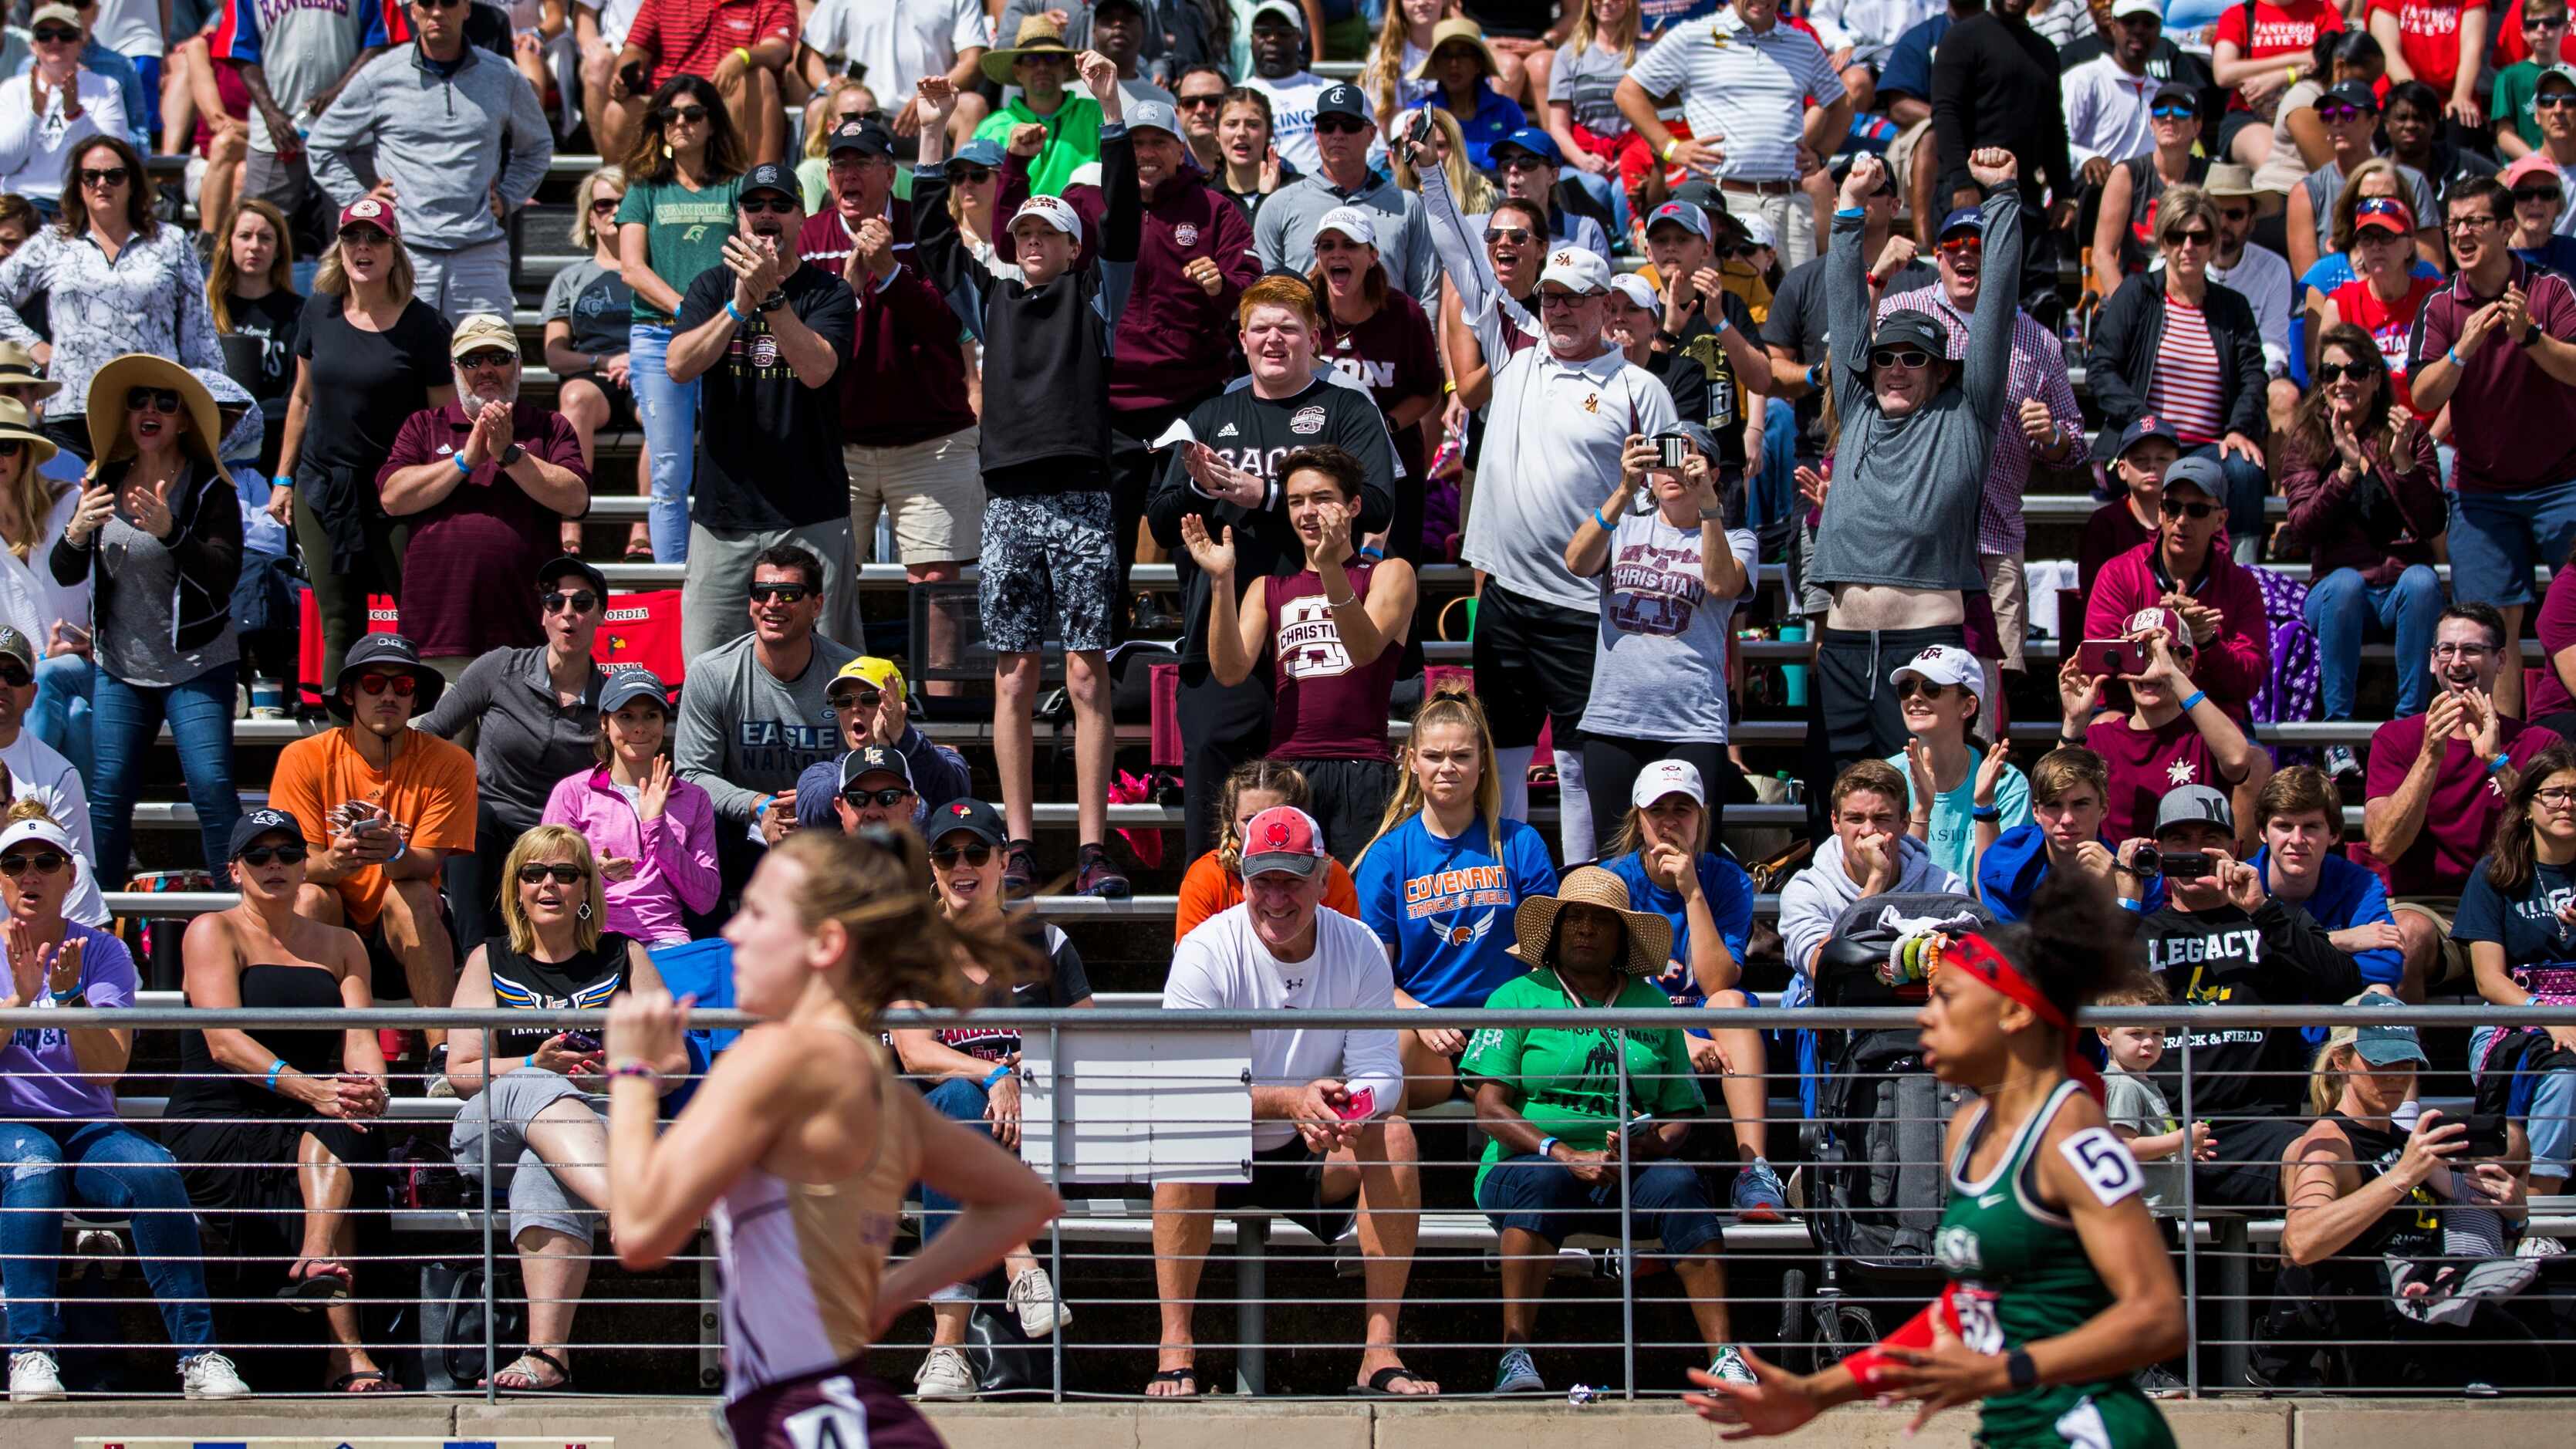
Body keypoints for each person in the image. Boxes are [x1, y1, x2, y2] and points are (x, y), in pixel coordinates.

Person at [602, 827, 1063, 1445]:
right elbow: (1025, 1201)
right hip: (846, 1413)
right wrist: (891, 1293)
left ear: (824, 943)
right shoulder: (868, 1074)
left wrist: (632, 1073)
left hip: (804, 1419)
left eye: (758, 914)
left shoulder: (772, 1062)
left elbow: (637, 1234)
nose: (733, 932)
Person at [1686, 880, 2186, 1447]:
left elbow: (2158, 1318)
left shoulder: (2071, 1134)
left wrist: (2001, 1372)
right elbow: (1959, 1312)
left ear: (2014, 1014)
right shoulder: (1969, 1132)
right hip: (2012, 1430)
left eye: (1947, 998)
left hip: (2090, 1431)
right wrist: (1816, 1393)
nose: (1927, 1017)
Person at [916, 61, 1136, 898]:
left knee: (1086, 673)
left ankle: (1092, 850)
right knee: (1013, 673)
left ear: (1075, 247)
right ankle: (1016, 846)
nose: (1033, 242)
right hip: (1008, 504)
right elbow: (934, 242)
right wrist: (934, 133)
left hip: (1082, 498)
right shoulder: (993, 300)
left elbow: (1122, 215)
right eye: (1024, 234)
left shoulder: (1095, 296)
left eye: (1049, 232)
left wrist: (1110, 105)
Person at [1152, 803, 1427, 1399]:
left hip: (1316, 1145)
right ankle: (1175, 1344)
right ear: (1243, 879)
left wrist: (1338, 1110)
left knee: (1396, 1134)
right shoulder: (1205, 949)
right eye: (1263, 880)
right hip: (1219, 1145)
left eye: (1292, 880)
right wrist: (1289, 1101)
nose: (1276, 897)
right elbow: (1185, 1086)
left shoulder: (1358, 946)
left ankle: (1379, 1352)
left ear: (1323, 878)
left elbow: (1381, 1074)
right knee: (1181, 1138)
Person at [1462, 866, 1753, 1395]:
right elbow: (1487, 1107)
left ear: (1621, 936)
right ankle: (1515, 1354)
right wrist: (1564, 1153)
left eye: (1601, 921)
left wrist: (1648, 1145)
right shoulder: (1518, 996)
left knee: (1681, 1184)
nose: (1585, 930)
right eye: (1573, 917)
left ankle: (1725, 1357)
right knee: (1541, 1183)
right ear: (1554, 929)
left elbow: (1679, 1110)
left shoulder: (1651, 1002)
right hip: (1527, 1165)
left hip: (1626, 1168)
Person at [0, 804, 252, 1404]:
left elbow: (106, 1068)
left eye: (46, 862)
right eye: (15, 863)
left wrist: (65, 1000)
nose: (30, 874)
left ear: (71, 876)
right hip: (8, 1125)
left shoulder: (103, 952)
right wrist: (22, 1000)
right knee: (34, 1167)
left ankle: (199, 1355)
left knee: (154, 1170)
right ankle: (30, 1350)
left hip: (87, 1128)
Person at [1147, 275, 1396, 864]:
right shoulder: (1210, 415)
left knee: (1307, 807)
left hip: (1315, 641)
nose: (1273, 340)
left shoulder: (1346, 408)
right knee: (1214, 802)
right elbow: (1159, 524)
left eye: (1288, 328)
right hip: (1222, 635)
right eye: (1260, 328)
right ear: (1242, 338)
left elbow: (1379, 505)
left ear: (1315, 336)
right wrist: (1198, 487)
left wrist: (1269, 493)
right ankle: (1207, 931)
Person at [1800, 153, 2022, 805]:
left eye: (1914, 358)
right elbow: (1844, 307)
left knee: (1925, 806)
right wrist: (1848, 205)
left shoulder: (1967, 412)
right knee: (1833, 811)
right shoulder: (1860, 400)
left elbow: (1999, 304)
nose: (1895, 369)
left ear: (1942, 369)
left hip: (1924, 648)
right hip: (1841, 649)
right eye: (1885, 357)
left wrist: (2003, 195)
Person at [162, 806, 393, 1393]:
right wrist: (312, 1088)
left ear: (304, 867)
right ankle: (347, 1353)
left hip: (312, 1112)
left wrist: (369, 1086)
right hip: (225, 1112)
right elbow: (223, 1042)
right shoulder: (213, 930)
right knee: (330, 1134)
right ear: (234, 869)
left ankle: (317, 1258)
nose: (275, 865)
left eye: (289, 854)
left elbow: (361, 1041)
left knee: (349, 1124)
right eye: (259, 856)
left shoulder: (341, 944)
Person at [443, 823, 676, 1393]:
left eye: (566, 874)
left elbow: (671, 1062)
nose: (549, 885)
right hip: (492, 1127)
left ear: (586, 889)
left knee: (543, 1166)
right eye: (534, 874)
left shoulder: (625, 956)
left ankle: (547, 1356)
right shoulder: (488, 958)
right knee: (541, 1091)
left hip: (595, 1131)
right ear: (515, 887)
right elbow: (462, 1072)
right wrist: (533, 1069)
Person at [895, 796, 1089, 1399]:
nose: (961, 863)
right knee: (955, 1097)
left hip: (1034, 1133)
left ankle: (947, 1352)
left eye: (976, 850)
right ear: (930, 866)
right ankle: (1019, 1263)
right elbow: (913, 1053)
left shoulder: (1046, 941)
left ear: (1004, 861)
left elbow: (1085, 1037)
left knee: (959, 1101)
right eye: (946, 852)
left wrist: (1023, 1073)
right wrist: (987, 1074)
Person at [1876, 199, 2085, 683]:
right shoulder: (1902, 312)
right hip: (1914, 533)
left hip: (1994, 536)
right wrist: (1874, 280)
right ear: (1939, 255)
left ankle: (1986, 761)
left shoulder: (2037, 341)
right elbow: (1845, 365)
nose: (1965, 254)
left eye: (1979, 246)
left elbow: (2074, 445)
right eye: (1954, 245)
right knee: (1914, 677)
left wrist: (2051, 435)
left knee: (1991, 682)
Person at [50, 355, 240, 883]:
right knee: (108, 793)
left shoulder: (209, 487)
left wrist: (171, 530)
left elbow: (224, 574)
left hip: (197, 664)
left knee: (210, 785)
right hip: (121, 666)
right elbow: (65, 571)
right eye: (138, 400)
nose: (149, 410)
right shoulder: (103, 480)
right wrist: (77, 532)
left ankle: (242, 919)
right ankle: (94, 930)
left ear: (183, 420)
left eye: (165, 401)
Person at [799, 126, 981, 672]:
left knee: (936, 584)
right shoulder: (810, 236)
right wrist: (849, 289)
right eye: (839, 165)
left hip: (930, 436)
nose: (849, 175)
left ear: (888, 172)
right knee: (821, 583)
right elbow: (804, 338)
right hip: (837, 441)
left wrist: (891, 273)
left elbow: (952, 322)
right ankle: (832, 713)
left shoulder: (924, 226)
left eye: (862, 163)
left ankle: (943, 729)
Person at [2128, 784, 2361, 1208]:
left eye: (2210, 841)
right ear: (2157, 850)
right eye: (2180, 840)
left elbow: (2344, 984)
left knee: (2323, 1158)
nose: (2196, 853)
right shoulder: (2136, 931)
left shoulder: (2275, 920)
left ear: (2235, 848)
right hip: (2152, 1125)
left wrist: (2261, 910)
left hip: (2255, 1125)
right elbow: (2076, 989)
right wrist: (2127, 897)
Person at [1183, 443, 1413, 859]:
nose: (1308, 511)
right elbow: (1230, 671)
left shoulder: (1390, 574)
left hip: (1361, 767)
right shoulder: (1268, 588)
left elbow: (1363, 650)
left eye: (1322, 498)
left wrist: (1329, 567)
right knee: (1283, 894)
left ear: (1354, 505)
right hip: (1286, 771)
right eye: (1296, 501)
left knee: (1354, 902)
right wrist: (1221, 581)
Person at [666, 164, 857, 661]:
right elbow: (679, 366)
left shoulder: (830, 291)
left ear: (802, 216)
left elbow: (817, 370)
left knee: (829, 666)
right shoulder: (710, 287)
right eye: (755, 205)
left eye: (780, 205)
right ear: (739, 217)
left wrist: (770, 299)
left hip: (810, 510)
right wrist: (737, 306)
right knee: (706, 665)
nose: (767, 215)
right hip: (724, 513)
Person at [2277, 1017, 2527, 1390]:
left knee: (2535, 1355)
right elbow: (2300, 1243)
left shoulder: (2408, 1142)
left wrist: (2515, 1210)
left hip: (2438, 1311)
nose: (2394, 1076)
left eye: (2404, 1064)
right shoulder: (2325, 1144)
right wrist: (2402, 1176)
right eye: (2380, 1063)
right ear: (2341, 1063)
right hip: (2382, 1332)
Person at [2409, 177, 2576, 722]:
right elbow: (2422, 394)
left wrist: (2528, 335)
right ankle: (2500, 757)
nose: (2461, 232)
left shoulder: (2552, 291)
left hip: (2564, 484)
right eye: (2453, 222)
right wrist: (2462, 349)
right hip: (2481, 493)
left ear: (2507, 229)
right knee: (2485, 634)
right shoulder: (2439, 306)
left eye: (2475, 221)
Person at [274, 198, 454, 698]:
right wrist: (283, 478)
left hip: (399, 493)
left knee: (417, 619)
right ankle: (344, 752)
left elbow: (444, 421)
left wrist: (435, 487)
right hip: (324, 488)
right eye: (352, 236)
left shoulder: (425, 326)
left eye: (375, 237)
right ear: (339, 247)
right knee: (339, 623)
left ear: (394, 249)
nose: (362, 247)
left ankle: (420, 739)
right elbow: (302, 399)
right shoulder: (320, 311)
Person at [1591, 759, 1787, 1218]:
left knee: (1731, 1002)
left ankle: (1753, 1171)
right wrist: (1679, 1036)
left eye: (1683, 809)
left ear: (1702, 818)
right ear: (1638, 820)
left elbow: (1718, 981)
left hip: (1708, 1018)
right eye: (1658, 809)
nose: (1670, 821)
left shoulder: (1726, 879)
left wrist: (1691, 890)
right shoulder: (1613, 879)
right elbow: (1603, 986)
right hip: (1636, 1023)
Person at [1352, 684, 1560, 1110]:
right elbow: (1372, 975)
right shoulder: (1389, 855)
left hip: (1509, 1027)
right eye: (1433, 756)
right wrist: (1418, 1016)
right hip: (1427, 1036)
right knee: (1388, 1062)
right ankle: (1344, 1175)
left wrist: (1507, 1022)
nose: (1448, 768)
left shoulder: (1520, 843)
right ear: (1412, 761)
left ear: (1483, 762)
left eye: (1462, 756)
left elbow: (1547, 955)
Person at [270, 632, 474, 1062]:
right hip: (333, 920)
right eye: (374, 684)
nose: (389, 696)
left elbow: (427, 863)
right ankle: (303, 1055)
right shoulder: (303, 757)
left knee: (414, 894)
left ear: (415, 698)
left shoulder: (451, 761)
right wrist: (336, 860)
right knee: (308, 895)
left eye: (402, 687)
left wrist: (394, 852)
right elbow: (294, 866)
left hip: (402, 936)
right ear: (349, 694)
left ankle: (442, 1055)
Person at [1562, 420, 1756, 833]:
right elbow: (1577, 561)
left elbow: (1722, 583)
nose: (1674, 470)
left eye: (1687, 457)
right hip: (1613, 723)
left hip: (1692, 726)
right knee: (1617, 868)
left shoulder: (1737, 539)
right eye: (1663, 457)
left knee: (1690, 860)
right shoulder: (1625, 526)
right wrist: (1624, 488)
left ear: (1714, 472)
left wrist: (1708, 506)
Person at [413, 555, 613, 956]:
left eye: (583, 603)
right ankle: (474, 961)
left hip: (566, 839)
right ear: (543, 616)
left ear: (601, 615)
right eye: (555, 603)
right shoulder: (500, 667)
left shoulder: (612, 699)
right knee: (472, 814)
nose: (567, 614)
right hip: (491, 829)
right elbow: (429, 730)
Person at [2367, 604, 2568, 1000]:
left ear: (2501, 660)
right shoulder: (2397, 740)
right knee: (2402, 939)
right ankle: (2402, 1062)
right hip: (2435, 909)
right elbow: (2384, 846)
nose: (2457, 661)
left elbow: (2560, 826)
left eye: (2472, 650)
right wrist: (2429, 756)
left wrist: (2497, 762)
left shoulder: (2539, 744)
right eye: (2446, 650)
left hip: (2522, 901)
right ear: (2432, 662)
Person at [305, 0, 549, 322]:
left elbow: (539, 145)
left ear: (467, 9)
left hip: (480, 253)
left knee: (489, 368)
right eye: (426, 2)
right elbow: (322, 144)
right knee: (401, 370)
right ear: (413, 11)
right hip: (403, 253)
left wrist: (508, 196)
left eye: (448, 2)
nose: (437, 12)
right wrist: (360, 200)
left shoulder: (503, 75)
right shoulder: (381, 74)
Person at [378, 314, 592, 677]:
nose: (486, 370)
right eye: (473, 361)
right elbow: (393, 497)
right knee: (435, 738)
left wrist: (510, 454)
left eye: (498, 358)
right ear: (455, 370)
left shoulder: (549, 427)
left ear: (519, 365)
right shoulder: (424, 426)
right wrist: (465, 461)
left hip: (525, 642)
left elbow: (575, 499)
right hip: (438, 639)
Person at [0, 136, 221, 464]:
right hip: (72, 409)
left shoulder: (171, 242)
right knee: (73, 513)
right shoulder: (52, 243)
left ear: (133, 183)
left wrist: (213, 407)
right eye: (91, 176)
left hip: (151, 411)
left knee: (147, 513)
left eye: (114, 175)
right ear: (78, 186)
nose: (102, 183)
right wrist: (32, 345)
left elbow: (198, 333)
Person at [2281, 322, 2443, 735]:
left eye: (2354, 370)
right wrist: (2347, 471)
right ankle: (2338, 733)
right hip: (2336, 596)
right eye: (2331, 373)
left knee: (2423, 580)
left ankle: (2410, 724)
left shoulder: (2408, 435)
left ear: (2375, 377)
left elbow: (2431, 523)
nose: (2342, 382)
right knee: (2346, 585)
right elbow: (2302, 528)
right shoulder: (2307, 438)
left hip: (2398, 595)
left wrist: (2404, 463)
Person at [2087, 191, 2270, 559]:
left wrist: (2238, 429)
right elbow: (2101, 371)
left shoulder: (2232, 307)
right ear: (2163, 242)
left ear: (2213, 242)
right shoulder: (2137, 295)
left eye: (2199, 237)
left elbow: (2254, 375)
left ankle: (2243, 578)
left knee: (2247, 471)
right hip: (2141, 440)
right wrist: (2144, 420)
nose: (2188, 246)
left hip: (2207, 447)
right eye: (2176, 236)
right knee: (2150, 472)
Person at [616, 74, 750, 565]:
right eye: (669, 115)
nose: (680, 123)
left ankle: (729, 577)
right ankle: (673, 582)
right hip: (658, 336)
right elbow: (632, 268)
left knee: (732, 464)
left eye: (692, 114)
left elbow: (753, 249)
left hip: (726, 335)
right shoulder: (645, 188)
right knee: (669, 473)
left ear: (712, 122)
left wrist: (716, 318)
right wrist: (687, 311)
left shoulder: (736, 186)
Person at [1614, 0, 1850, 269]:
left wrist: (1822, 154)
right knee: (1722, 306)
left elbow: (1843, 105)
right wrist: (1670, 147)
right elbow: (1627, 92)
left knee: (1797, 306)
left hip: (1788, 203)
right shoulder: (1694, 36)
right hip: (1722, 204)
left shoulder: (1802, 44)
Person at [674, 546, 860, 868]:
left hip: (832, 828)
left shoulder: (851, 673)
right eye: (762, 592)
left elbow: (874, 763)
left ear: (817, 605)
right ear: (750, 602)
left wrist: (820, 803)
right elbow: (693, 773)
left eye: (789, 594)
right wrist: (759, 806)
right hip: (741, 828)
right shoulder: (712, 672)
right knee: (688, 819)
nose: (773, 603)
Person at [2081, 454, 2271, 717]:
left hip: (2210, 714)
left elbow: (2248, 683)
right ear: (2160, 512)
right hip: (2132, 713)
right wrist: (2164, 637)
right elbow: (2100, 666)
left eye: (2197, 510)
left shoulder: (2242, 585)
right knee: (2100, 728)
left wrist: (2207, 642)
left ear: (2221, 519)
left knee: (2253, 759)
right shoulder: (2118, 573)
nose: (2182, 520)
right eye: (2172, 507)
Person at [541, 667, 716, 947]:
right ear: (604, 723)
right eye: (626, 716)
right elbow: (543, 882)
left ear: (664, 722)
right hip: (588, 934)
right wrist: (593, 874)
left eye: (651, 716)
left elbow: (705, 899)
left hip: (665, 936)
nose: (639, 728)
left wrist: (657, 829)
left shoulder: (694, 798)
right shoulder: (572, 792)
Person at [2065, 606, 2267, 845]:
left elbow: (2238, 761)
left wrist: (2171, 674)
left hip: (2191, 876)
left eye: (2162, 652)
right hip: (2117, 876)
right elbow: (2056, 795)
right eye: (2138, 654)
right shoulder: (2102, 736)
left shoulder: (2205, 734)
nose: (2150, 668)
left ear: (2188, 665)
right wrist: (2073, 722)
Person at [1306, 206, 1441, 558]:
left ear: (1372, 256)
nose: (1337, 253)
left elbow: (1428, 391)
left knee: (1389, 579)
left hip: (1391, 470)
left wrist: (1385, 424)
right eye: (1327, 245)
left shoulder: (1405, 313)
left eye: (1350, 245)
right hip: (1318, 472)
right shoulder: (1302, 311)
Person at [209, 0, 387, 258]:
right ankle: (251, 299)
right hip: (277, 132)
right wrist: (270, 112)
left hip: (349, 129)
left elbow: (379, 41)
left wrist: (342, 91)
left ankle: (351, 299)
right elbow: (241, 49)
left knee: (358, 230)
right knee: (257, 230)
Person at [1778, 758, 1970, 991]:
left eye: (1882, 818)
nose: (1868, 831)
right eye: (1855, 819)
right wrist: (1876, 880)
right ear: (1836, 823)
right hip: (1838, 1022)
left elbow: (1964, 976)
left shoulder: (1945, 888)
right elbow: (1823, 968)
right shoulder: (1806, 890)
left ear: (1904, 823)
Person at [1256, 83, 1437, 319]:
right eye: (1327, 126)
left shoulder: (1408, 205)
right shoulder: (1279, 206)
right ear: (1316, 134)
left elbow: (1426, 294)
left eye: (1350, 125)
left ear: (1371, 133)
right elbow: (1267, 297)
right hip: (1309, 350)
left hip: (1388, 348)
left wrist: (1425, 351)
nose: (1338, 135)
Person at [545, 166, 650, 561]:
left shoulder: (653, 270)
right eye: (603, 204)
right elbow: (555, 353)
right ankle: (570, 523)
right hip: (596, 378)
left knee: (663, 405)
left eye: (623, 203)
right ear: (590, 216)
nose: (613, 212)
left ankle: (642, 531)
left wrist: (637, 360)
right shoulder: (571, 277)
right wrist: (604, 360)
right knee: (574, 396)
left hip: (648, 373)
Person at [1174, 757, 1365, 940]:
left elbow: (1349, 951)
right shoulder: (1206, 877)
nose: (1263, 828)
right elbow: (1193, 959)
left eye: (1274, 816)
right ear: (1232, 821)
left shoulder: (1332, 876)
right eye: (1249, 820)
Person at [1886, 643, 2028, 886]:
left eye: (1932, 688)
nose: (1915, 697)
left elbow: (2000, 890)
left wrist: (1985, 805)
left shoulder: (2007, 783)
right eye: (1907, 687)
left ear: (1968, 706)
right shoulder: (1885, 777)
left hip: (1980, 920)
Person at [2254, 765, 2404, 991]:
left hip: (2333, 1011)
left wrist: (2284, 949)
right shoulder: (2238, 883)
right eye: (2284, 826)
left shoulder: (2360, 883)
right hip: (2258, 1015)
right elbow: (2240, 963)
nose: (2297, 839)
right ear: (2263, 833)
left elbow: (2385, 966)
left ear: (2334, 834)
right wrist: (2338, 940)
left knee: (2379, 993)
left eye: (2311, 827)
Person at [789, 657, 972, 835]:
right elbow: (816, 817)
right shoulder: (822, 774)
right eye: (844, 701)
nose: (855, 708)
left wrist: (902, 737)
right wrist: (875, 755)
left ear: (899, 707)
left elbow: (953, 798)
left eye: (869, 699)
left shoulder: (939, 758)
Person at [792, 0, 990, 157]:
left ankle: (957, 204)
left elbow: (973, 62)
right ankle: (828, 203)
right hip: (860, 115)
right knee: (819, 109)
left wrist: (930, 96)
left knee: (972, 107)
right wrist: (829, 86)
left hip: (933, 114)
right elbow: (809, 55)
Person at [2287, 83, 2444, 276]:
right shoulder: (2307, 192)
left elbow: (2433, 268)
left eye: (2348, 114)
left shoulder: (2410, 182)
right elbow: (2310, 282)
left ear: (2373, 123)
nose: (2337, 122)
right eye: (2328, 115)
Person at [1977, 746, 2148, 919]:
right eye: (2053, 805)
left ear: (2104, 808)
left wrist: (2120, 898)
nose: (2067, 819)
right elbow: (2012, 944)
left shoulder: (2136, 876)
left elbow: (2138, 943)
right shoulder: (2005, 867)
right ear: (2035, 812)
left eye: (2080, 804)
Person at [206, 199, 302, 477]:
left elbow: (298, 393)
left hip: (273, 447)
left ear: (279, 250)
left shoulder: (299, 312)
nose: (255, 246)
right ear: (229, 243)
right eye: (245, 236)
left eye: (266, 238)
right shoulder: (205, 309)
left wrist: (249, 416)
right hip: (213, 448)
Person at [2090, 80, 2209, 299]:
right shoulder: (2127, 174)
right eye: (2161, 110)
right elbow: (2102, 254)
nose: (2169, 118)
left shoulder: (2210, 176)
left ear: (2197, 126)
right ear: (2151, 123)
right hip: (2135, 294)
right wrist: (2127, 308)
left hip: (2193, 297)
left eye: (2181, 111)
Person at [0, 7, 122, 211]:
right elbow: (4, 163)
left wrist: (75, 113)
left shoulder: (106, 88)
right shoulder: (11, 90)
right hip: (25, 204)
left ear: (81, 43)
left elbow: (114, 160)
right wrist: (34, 117)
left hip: (83, 203)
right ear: (33, 45)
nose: (55, 42)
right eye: (45, 35)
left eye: (65, 35)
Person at [972, 16, 1106, 198]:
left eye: (1051, 58)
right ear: (1017, 71)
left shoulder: (1097, 114)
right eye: (1031, 59)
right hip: (1015, 226)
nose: (1042, 67)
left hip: (1085, 224)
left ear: (1066, 67)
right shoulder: (991, 128)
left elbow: (1121, 174)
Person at [1545, 0, 1644, 225]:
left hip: (1634, 155)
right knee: (1594, 187)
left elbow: (1659, 117)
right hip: (1583, 157)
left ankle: (1632, 245)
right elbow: (1557, 126)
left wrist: (1632, 159)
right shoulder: (1568, 55)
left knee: (1624, 188)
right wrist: (1583, 160)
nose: (1607, 2)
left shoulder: (1647, 54)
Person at [2064, 7, 2173, 184]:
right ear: (2113, 26)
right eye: (2129, 22)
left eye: (2148, 24)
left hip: (2142, 199)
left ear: (2159, 31)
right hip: (2089, 192)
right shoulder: (2084, 79)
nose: (2139, 31)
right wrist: (2086, 158)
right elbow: (2053, 144)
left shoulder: (2160, 93)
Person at [2494, 0, 2569, 157]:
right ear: (2523, 32)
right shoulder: (2509, 77)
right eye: (2532, 25)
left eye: (2550, 23)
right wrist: (2537, 162)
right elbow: (2504, 134)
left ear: (2567, 28)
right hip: (2523, 167)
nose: (2541, 30)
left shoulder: (2573, 75)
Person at [2503, 150, 2576, 276]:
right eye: (2524, 194)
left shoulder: (2572, 252)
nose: (2536, 202)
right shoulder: (2497, 259)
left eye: (2546, 193)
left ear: (2558, 204)